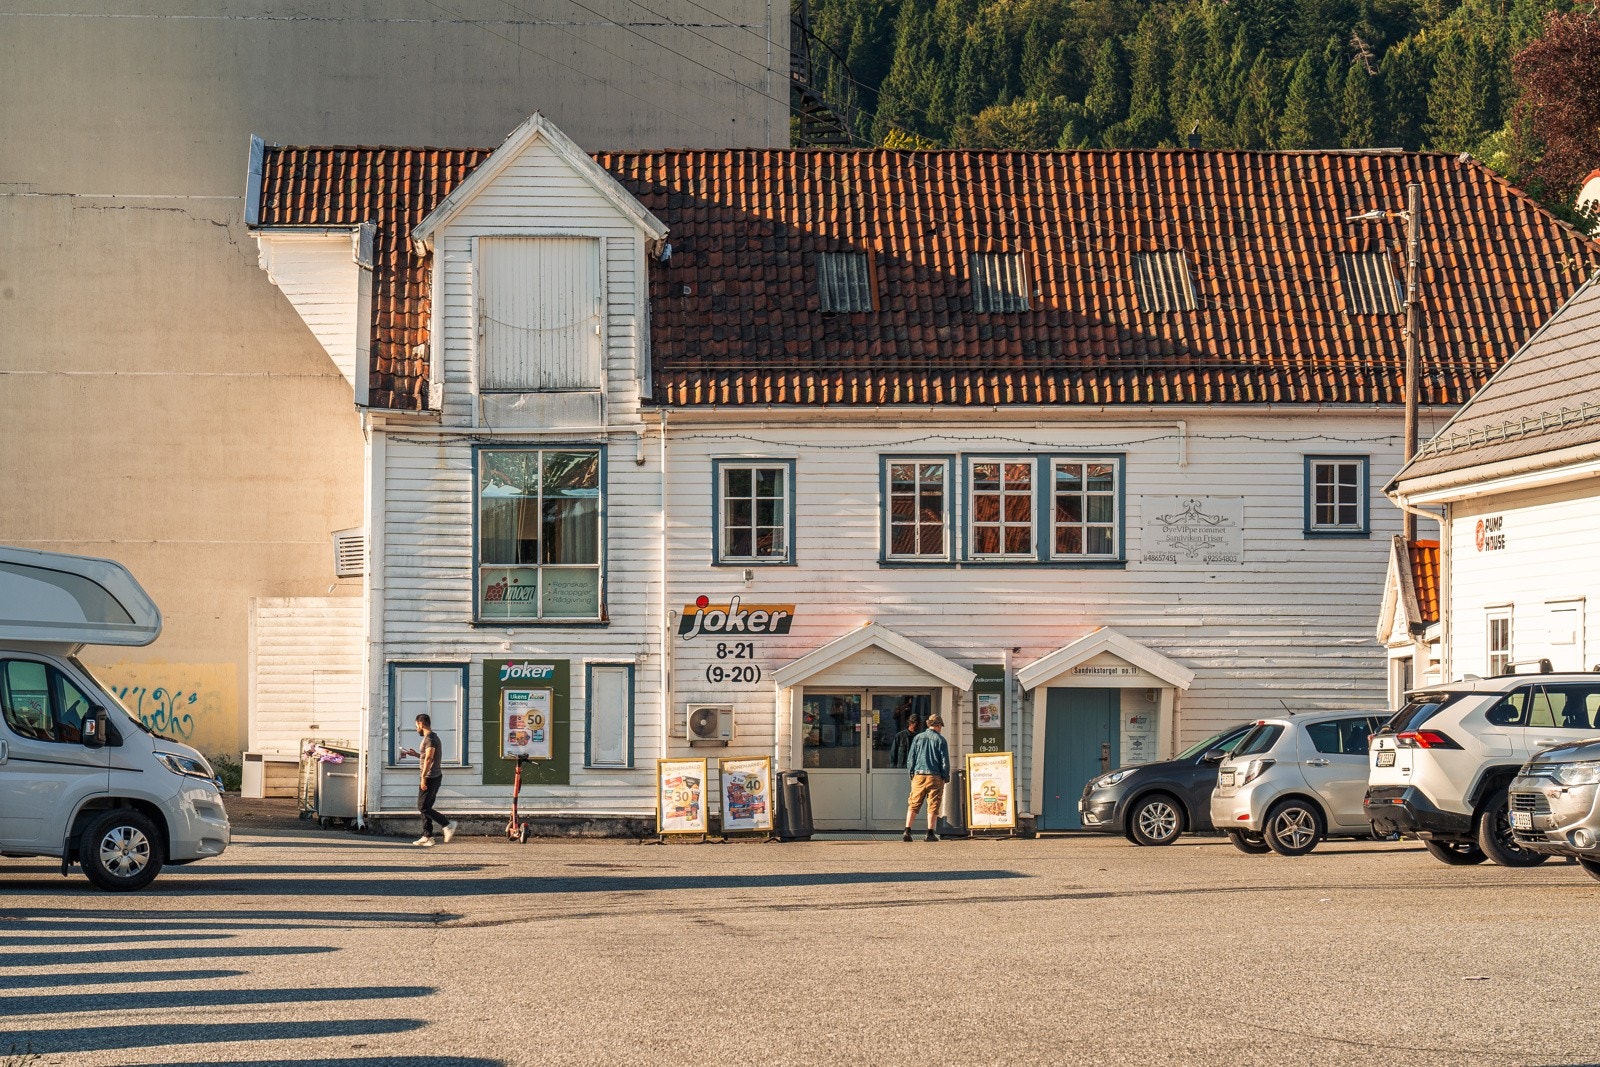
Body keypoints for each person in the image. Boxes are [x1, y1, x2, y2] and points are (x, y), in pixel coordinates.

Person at [398, 714, 455, 847]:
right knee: (425, 807)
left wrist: (423, 778)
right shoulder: (432, 738)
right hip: (431, 776)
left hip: (430, 777)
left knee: (423, 807)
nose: (416, 728)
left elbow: (429, 759)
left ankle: (447, 824)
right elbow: (427, 756)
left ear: (421, 724)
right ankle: (427, 836)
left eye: (416, 726)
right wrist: (416, 755)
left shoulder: (430, 739)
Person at [903, 712, 950, 842]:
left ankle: (907, 830)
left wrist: (911, 773)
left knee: (913, 803)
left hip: (918, 775)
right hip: (935, 776)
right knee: (933, 804)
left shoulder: (918, 737)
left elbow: (911, 758)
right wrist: (945, 776)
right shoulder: (941, 740)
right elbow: (944, 760)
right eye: (941, 726)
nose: (941, 729)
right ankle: (930, 833)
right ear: (938, 725)